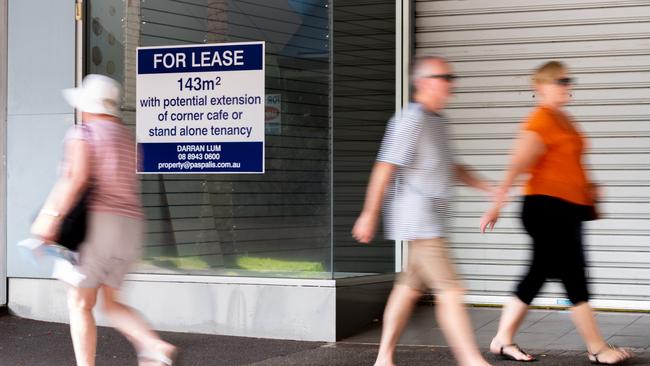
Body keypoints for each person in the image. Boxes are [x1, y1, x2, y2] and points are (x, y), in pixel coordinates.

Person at [480, 61, 633, 364]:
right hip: (545, 208)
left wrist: (588, 188)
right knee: (574, 274)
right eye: (561, 81)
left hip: (567, 209)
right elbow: (517, 164)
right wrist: (497, 204)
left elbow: (571, 162)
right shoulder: (541, 120)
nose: (567, 85)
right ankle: (597, 348)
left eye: (568, 80)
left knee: (538, 273)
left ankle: (502, 340)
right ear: (542, 87)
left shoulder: (565, 119)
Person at [352, 56, 493, 366]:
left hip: (431, 220)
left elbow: (450, 168)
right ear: (424, 82)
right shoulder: (410, 120)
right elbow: (384, 168)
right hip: (420, 220)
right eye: (445, 77)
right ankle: (471, 361)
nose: (451, 83)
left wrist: (486, 187)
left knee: (408, 289)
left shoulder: (437, 120)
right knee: (451, 290)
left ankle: (383, 359)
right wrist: (369, 213)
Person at [30, 74, 177, 366]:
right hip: (130, 226)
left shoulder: (83, 132)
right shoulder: (127, 138)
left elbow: (75, 178)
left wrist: (49, 218)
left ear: (87, 104)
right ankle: (153, 345)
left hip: (96, 226)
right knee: (111, 303)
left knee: (80, 303)